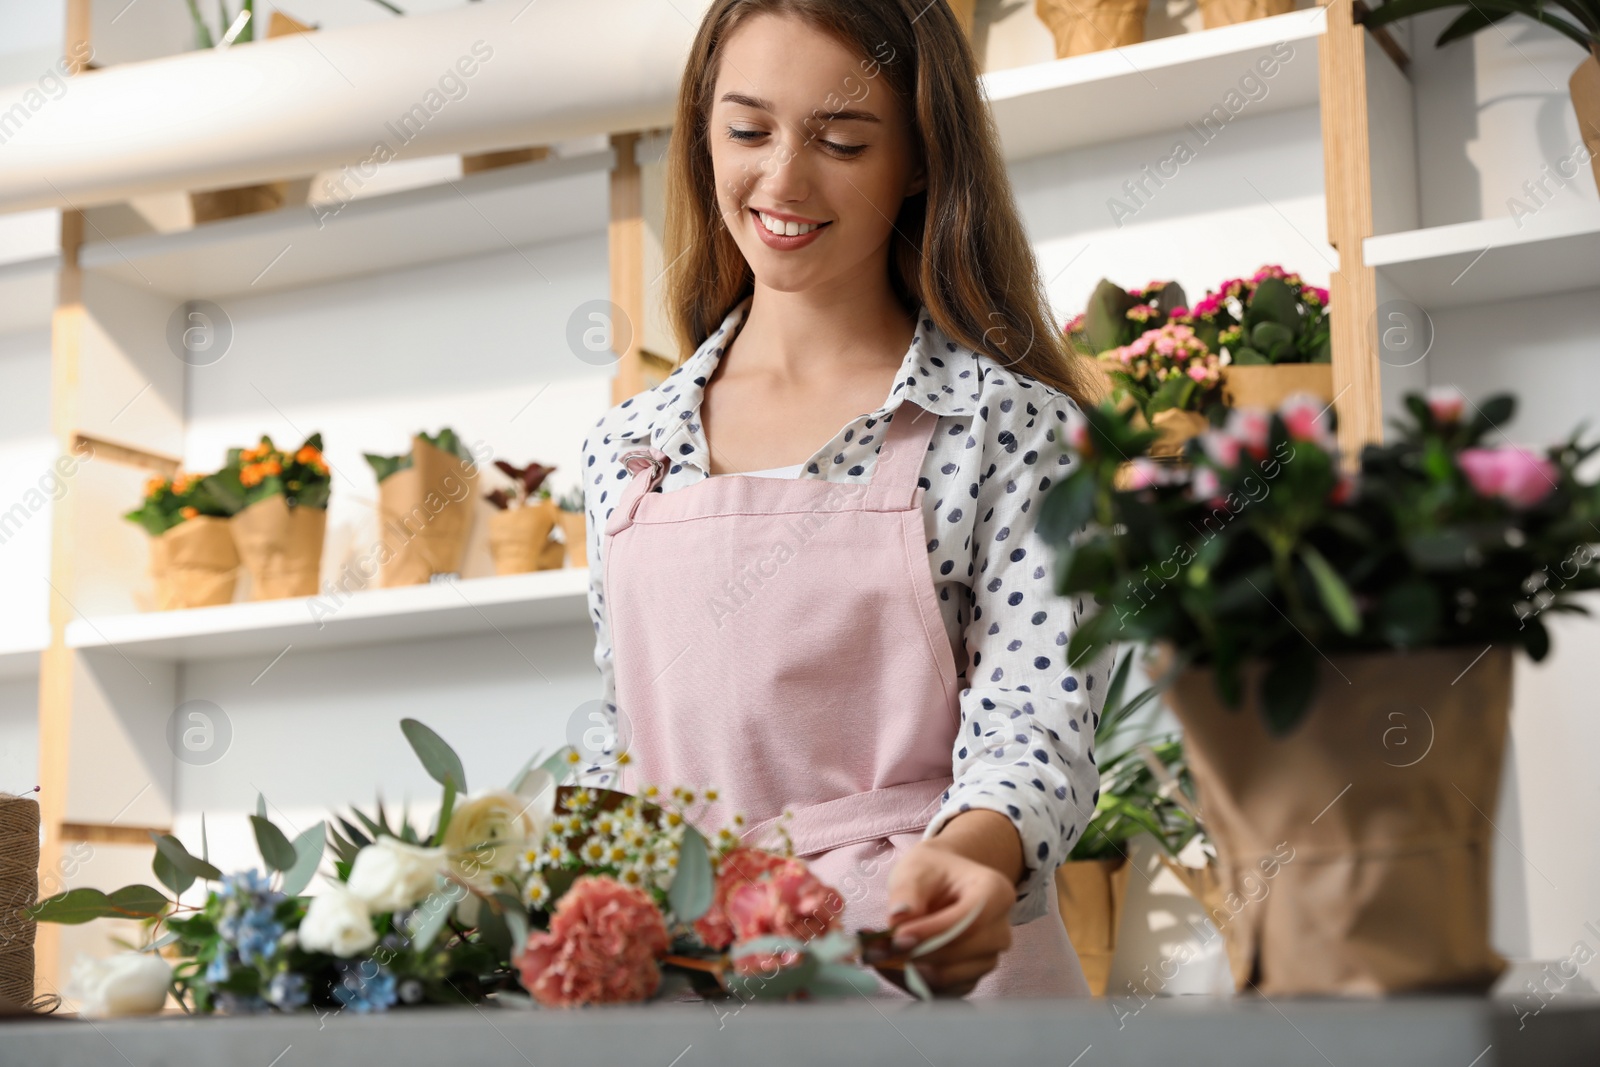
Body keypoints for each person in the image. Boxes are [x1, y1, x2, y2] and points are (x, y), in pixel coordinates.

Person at [577, 0, 1111, 998]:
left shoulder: (1008, 432)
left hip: (914, 959)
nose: (782, 180)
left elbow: (1036, 716)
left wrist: (975, 856)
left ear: (918, 157)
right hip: (685, 978)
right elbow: (622, 738)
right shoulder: (627, 446)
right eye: (746, 130)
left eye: (840, 139)